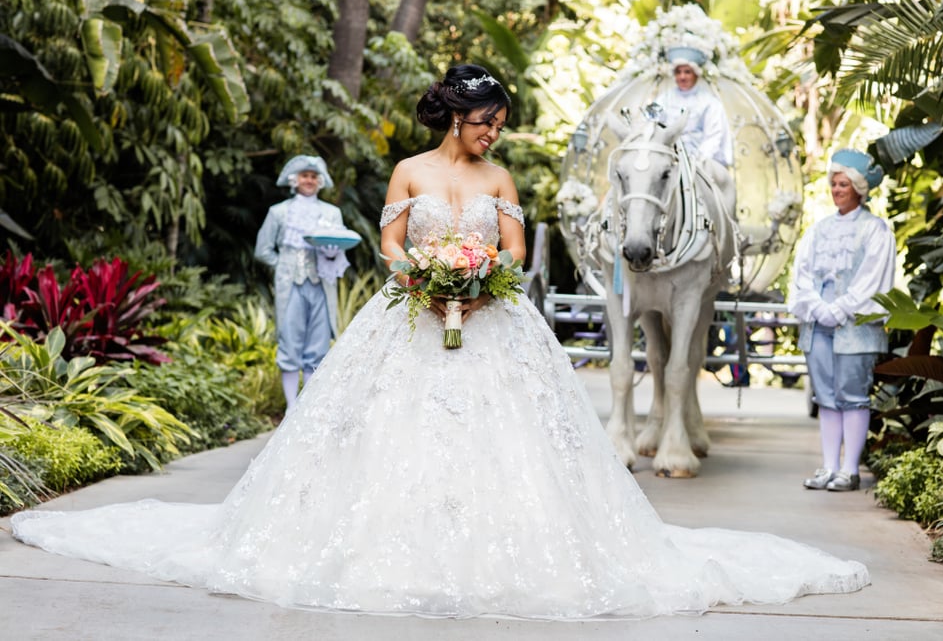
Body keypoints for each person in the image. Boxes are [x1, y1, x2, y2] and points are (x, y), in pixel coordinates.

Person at [11, 65, 869, 619]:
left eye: (500, 123)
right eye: (487, 121)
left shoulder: (500, 178)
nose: (495, 134)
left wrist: (477, 272)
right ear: (457, 117)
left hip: (490, 317)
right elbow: (387, 244)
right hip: (410, 312)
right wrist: (422, 270)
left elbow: (515, 251)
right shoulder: (411, 173)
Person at [789, 149, 896, 492]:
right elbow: (802, 272)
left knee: (852, 395)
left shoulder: (876, 230)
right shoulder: (819, 230)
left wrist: (842, 308)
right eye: (834, 183)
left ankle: (849, 469)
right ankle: (828, 466)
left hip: (856, 328)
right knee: (826, 396)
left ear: (859, 189)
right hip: (819, 325)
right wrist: (818, 307)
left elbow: (872, 278)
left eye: (844, 184)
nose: (836, 190)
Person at [254, 155, 350, 413]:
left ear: (319, 182)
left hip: (320, 283)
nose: (309, 180)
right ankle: (290, 405)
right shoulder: (279, 212)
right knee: (289, 338)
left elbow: (339, 248)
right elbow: (263, 249)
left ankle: (305, 407)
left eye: (313, 176)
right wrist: (283, 264)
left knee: (318, 342)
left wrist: (331, 253)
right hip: (291, 285)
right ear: (294, 180)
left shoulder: (332, 213)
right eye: (305, 175)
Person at [654, 47, 735, 211]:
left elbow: (713, 136)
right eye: (678, 72)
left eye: (687, 72)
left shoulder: (709, 102)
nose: (682, 77)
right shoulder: (663, 99)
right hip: (669, 158)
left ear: (696, 74)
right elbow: (655, 127)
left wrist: (695, 162)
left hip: (699, 161)